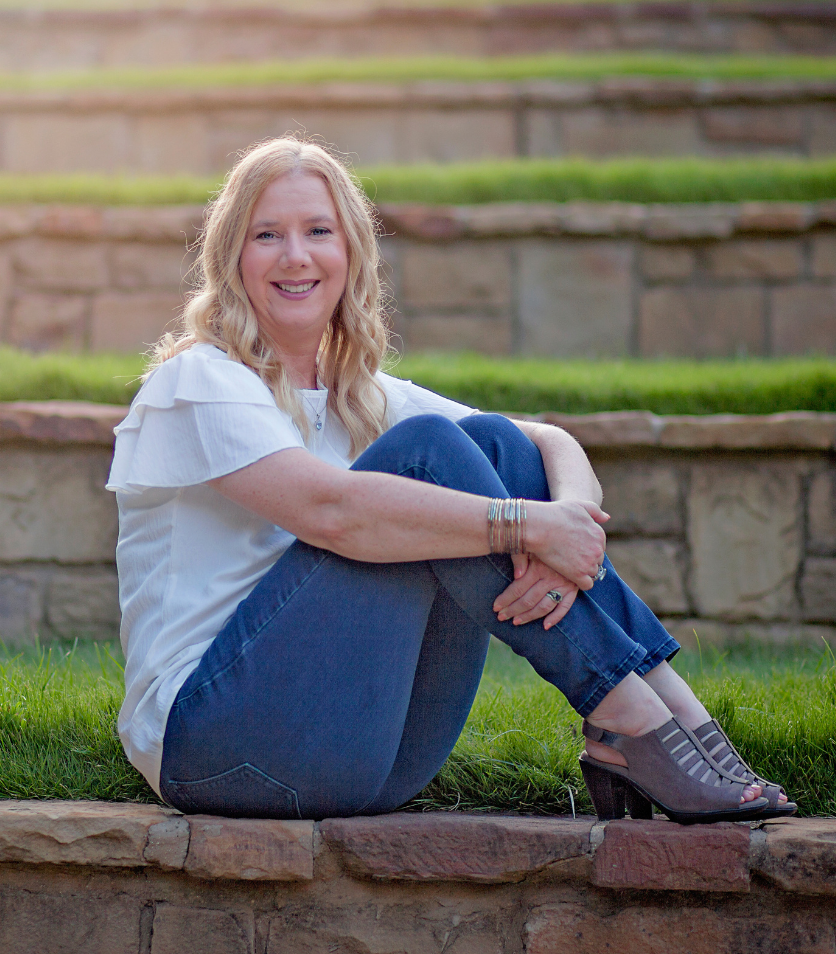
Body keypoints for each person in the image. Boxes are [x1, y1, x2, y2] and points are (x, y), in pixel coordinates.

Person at [107, 137, 793, 824]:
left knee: (491, 441)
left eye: (318, 231)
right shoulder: (198, 381)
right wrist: (526, 526)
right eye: (267, 235)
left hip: (379, 756)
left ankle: (674, 712)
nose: (296, 256)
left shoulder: (360, 394)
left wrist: (570, 528)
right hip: (216, 747)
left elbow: (548, 440)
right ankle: (626, 716)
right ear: (232, 258)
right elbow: (331, 513)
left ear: (349, 253)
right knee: (427, 453)